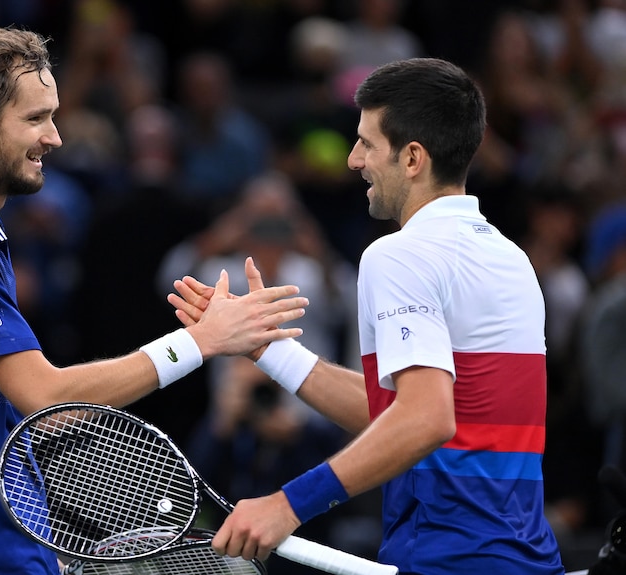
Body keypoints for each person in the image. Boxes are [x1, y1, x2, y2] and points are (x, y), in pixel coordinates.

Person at [0, 26, 309, 575]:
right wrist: (199, 342)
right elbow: (43, 395)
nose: (55, 137)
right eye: (35, 119)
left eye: (52, 116)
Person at [169, 58, 565, 574]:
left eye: (367, 143)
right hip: (528, 562)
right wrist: (268, 349)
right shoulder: (513, 260)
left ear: (413, 158)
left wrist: (287, 504)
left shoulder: (397, 254)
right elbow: (407, 416)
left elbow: (425, 419)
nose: (354, 160)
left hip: (444, 561)